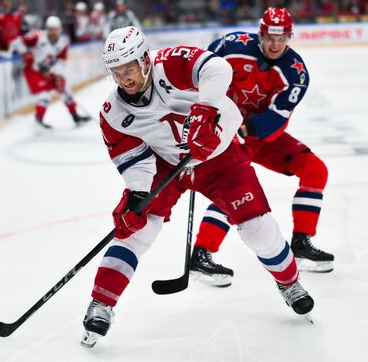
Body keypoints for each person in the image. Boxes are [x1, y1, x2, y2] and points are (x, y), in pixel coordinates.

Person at [80, 26, 314, 348]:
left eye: (129, 69)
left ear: (145, 60)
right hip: (167, 163)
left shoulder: (170, 64)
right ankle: (101, 304)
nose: (124, 78)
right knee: (137, 228)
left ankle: (289, 283)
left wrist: (205, 110)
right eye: (116, 72)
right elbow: (134, 161)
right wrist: (136, 195)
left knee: (256, 227)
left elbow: (218, 68)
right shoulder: (114, 114)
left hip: (219, 154)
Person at [188, 7, 334, 288]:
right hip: (221, 132)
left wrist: (243, 129)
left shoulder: (296, 73)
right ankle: (202, 253)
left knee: (315, 170)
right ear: (260, 34)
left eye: (282, 38)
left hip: (258, 135)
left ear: (290, 37)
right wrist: (199, 115)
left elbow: (276, 119)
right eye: (269, 37)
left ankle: (301, 243)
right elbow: (199, 73)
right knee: (235, 190)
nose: (275, 44)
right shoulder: (231, 46)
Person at [10, 16, 91, 128]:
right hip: (34, 70)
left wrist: (57, 75)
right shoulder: (37, 36)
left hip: (50, 70)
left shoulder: (63, 41)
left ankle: (75, 116)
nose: (52, 31)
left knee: (65, 90)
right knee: (45, 94)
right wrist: (26, 53)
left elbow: (61, 61)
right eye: (50, 29)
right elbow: (17, 42)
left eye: (55, 29)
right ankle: (39, 120)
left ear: (60, 29)